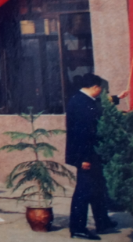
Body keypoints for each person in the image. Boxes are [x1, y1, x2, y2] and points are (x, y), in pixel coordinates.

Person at [66, 73, 121, 240]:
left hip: (92, 154)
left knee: (98, 188)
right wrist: (84, 158)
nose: (102, 93)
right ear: (95, 87)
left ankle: (102, 222)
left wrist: (117, 98)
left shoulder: (84, 99)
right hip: (86, 155)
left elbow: (99, 105)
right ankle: (77, 228)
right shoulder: (81, 104)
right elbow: (82, 134)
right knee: (83, 191)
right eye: (102, 90)